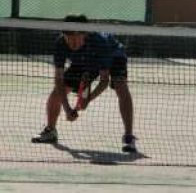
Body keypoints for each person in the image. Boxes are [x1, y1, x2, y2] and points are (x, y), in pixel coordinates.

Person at [32, 14, 137, 153]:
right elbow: (58, 79)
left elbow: (104, 80)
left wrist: (87, 99)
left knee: (120, 87)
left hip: (114, 55)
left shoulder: (99, 42)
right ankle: (50, 131)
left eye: (76, 39)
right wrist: (67, 108)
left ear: (85, 34)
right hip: (84, 60)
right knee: (56, 93)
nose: (72, 43)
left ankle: (129, 137)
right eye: (69, 38)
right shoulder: (60, 44)